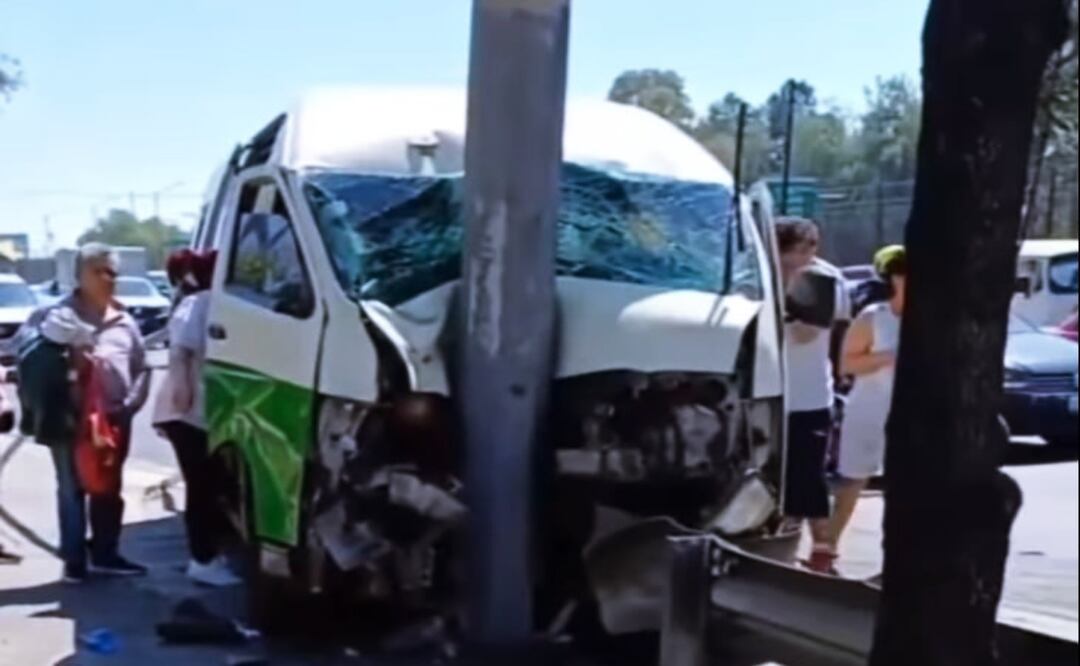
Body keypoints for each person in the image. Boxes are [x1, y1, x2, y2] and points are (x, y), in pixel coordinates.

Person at [20, 243, 150, 582]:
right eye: (98, 271)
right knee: (71, 488)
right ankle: (74, 561)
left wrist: (130, 406)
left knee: (108, 487)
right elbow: (28, 361)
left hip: (113, 420)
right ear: (79, 275)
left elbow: (142, 368)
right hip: (70, 421)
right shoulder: (55, 318)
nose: (108, 279)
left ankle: (106, 553)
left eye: (113, 272)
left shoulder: (125, 321)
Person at [152, 250, 239, 587]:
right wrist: (183, 392)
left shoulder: (207, 302)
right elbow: (180, 351)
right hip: (186, 412)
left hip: (195, 413)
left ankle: (208, 556)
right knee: (201, 487)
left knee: (209, 484)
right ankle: (202, 561)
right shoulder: (199, 303)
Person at [775, 217, 850, 574]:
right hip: (770, 391)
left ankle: (823, 551)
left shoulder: (825, 279)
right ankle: (781, 544)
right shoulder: (758, 276)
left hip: (809, 395)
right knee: (775, 476)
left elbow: (807, 332)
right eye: (793, 249)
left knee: (808, 475)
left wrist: (787, 290)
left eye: (809, 248)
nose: (802, 256)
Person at [830, 245, 906, 554]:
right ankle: (827, 548)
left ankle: (900, 554)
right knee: (853, 482)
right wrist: (888, 357)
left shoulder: (935, 319)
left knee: (907, 487)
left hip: (912, 414)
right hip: (870, 409)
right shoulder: (874, 317)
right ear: (894, 278)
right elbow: (846, 365)